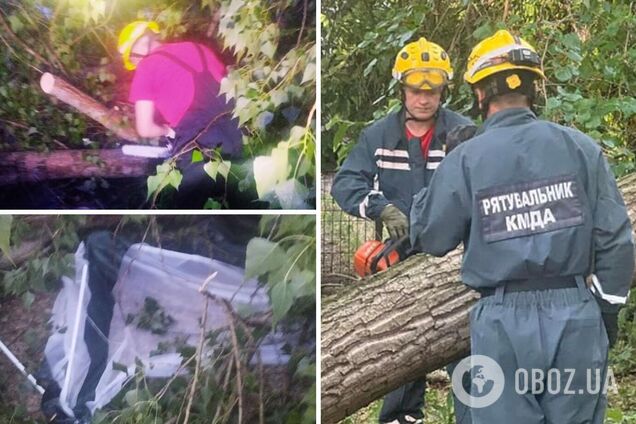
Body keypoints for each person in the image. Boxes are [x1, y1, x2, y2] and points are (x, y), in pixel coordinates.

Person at [410, 29, 634, 424]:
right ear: (535, 89)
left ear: (480, 95)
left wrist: (447, 166)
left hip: (502, 324)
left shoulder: (467, 158)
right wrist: (605, 311)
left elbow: (431, 236)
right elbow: (616, 242)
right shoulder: (580, 148)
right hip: (576, 314)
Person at [331, 37, 472, 424]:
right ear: (402, 90)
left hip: (455, 258)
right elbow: (345, 185)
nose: (424, 99)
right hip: (401, 261)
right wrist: (382, 207)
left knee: (464, 342)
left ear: (443, 91)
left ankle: (474, 416)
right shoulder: (379, 136)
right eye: (416, 91)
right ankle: (402, 417)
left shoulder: (463, 133)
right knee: (402, 343)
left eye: (433, 91)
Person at [117, 21, 242, 207]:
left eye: (132, 60)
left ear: (138, 49)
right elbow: (230, 88)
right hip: (236, 131)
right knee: (240, 198)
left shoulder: (146, 67)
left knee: (194, 210)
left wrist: (167, 130)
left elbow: (144, 128)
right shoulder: (199, 48)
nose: (135, 65)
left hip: (197, 145)